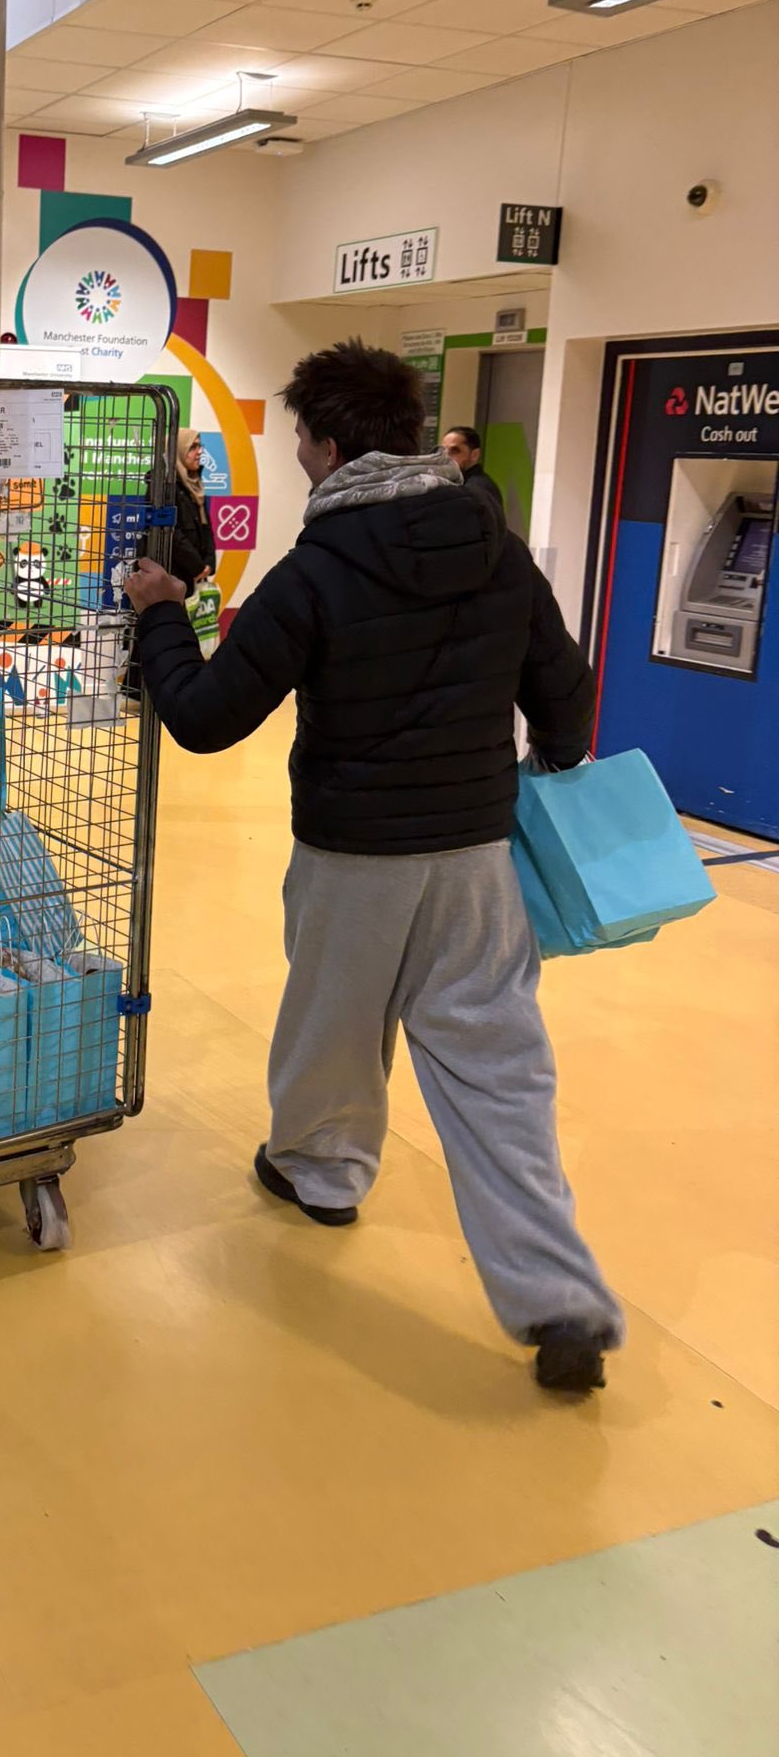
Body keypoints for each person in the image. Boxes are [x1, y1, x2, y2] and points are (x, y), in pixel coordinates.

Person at [127, 340, 622, 1396]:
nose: (298, 453)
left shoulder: (319, 568)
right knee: (500, 1069)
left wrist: (161, 612)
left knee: (333, 1026)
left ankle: (322, 1172)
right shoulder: (500, 547)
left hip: (355, 854)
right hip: (479, 855)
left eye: (300, 436)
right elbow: (567, 698)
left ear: (330, 442)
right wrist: (542, 766)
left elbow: (209, 719)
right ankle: (559, 1295)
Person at [173, 427, 217, 592]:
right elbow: (172, 534)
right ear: (178, 450)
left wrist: (209, 564)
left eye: (199, 446)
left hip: (196, 577)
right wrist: (197, 566)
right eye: (192, 447)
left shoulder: (195, 484)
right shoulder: (165, 487)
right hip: (175, 577)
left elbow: (206, 529)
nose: (199, 452)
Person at [442, 425, 505, 521]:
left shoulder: (477, 488)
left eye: (455, 451)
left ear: (474, 455)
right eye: (443, 452)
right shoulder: (460, 483)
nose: (446, 457)